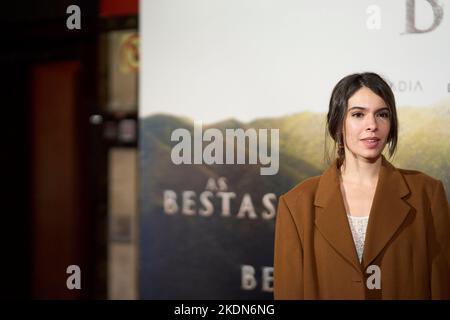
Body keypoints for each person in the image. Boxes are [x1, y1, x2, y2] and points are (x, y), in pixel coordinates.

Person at [273, 72, 450, 299]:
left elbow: (442, 287)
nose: (372, 125)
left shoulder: (427, 193)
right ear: (337, 123)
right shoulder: (297, 204)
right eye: (358, 114)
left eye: (382, 114)